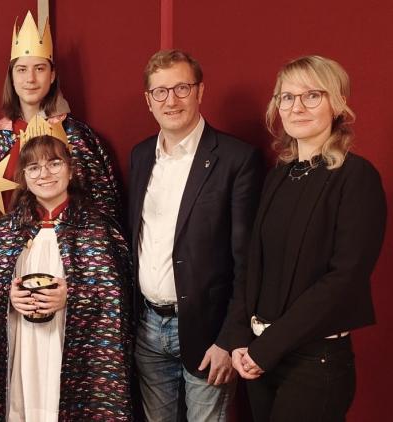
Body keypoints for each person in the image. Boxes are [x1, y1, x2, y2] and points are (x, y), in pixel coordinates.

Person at [226, 55, 386, 421]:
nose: (296, 107)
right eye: (287, 97)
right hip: (259, 356)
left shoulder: (357, 177)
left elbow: (344, 279)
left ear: (337, 104)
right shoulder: (279, 176)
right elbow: (252, 265)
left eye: (312, 95)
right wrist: (239, 338)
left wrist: (267, 348)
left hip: (315, 362)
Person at [0, 120, 132, 421]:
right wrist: (7, 296)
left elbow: (118, 300)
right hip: (21, 348)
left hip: (71, 348)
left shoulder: (98, 230)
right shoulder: (2, 232)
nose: (45, 174)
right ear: (24, 176)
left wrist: (72, 296)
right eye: (34, 167)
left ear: (70, 169)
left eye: (54, 163)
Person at [128, 49, 263, 421]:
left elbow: (247, 262)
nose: (171, 100)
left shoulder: (236, 159)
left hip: (208, 334)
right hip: (148, 329)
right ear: (148, 100)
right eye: (160, 91)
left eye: (182, 88)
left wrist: (229, 338)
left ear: (200, 91)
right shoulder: (141, 156)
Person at [0, 11, 120, 233]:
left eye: (39, 68)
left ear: (52, 75)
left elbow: (102, 209)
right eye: (22, 70)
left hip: (61, 247)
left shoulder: (75, 135)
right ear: (12, 77)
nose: (30, 79)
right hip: (9, 249)